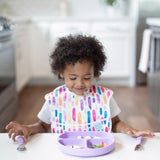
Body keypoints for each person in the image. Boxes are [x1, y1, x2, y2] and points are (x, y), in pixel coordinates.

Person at [5, 34, 155, 142]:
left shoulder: (103, 97)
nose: (80, 83)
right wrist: (28, 129)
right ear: (62, 73)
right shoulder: (55, 98)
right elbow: (43, 126)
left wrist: (130, 130)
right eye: (73, 78)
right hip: (64, 152)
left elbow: (115, 123)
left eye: (87, 77)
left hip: (98, 151)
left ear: (94, 73)